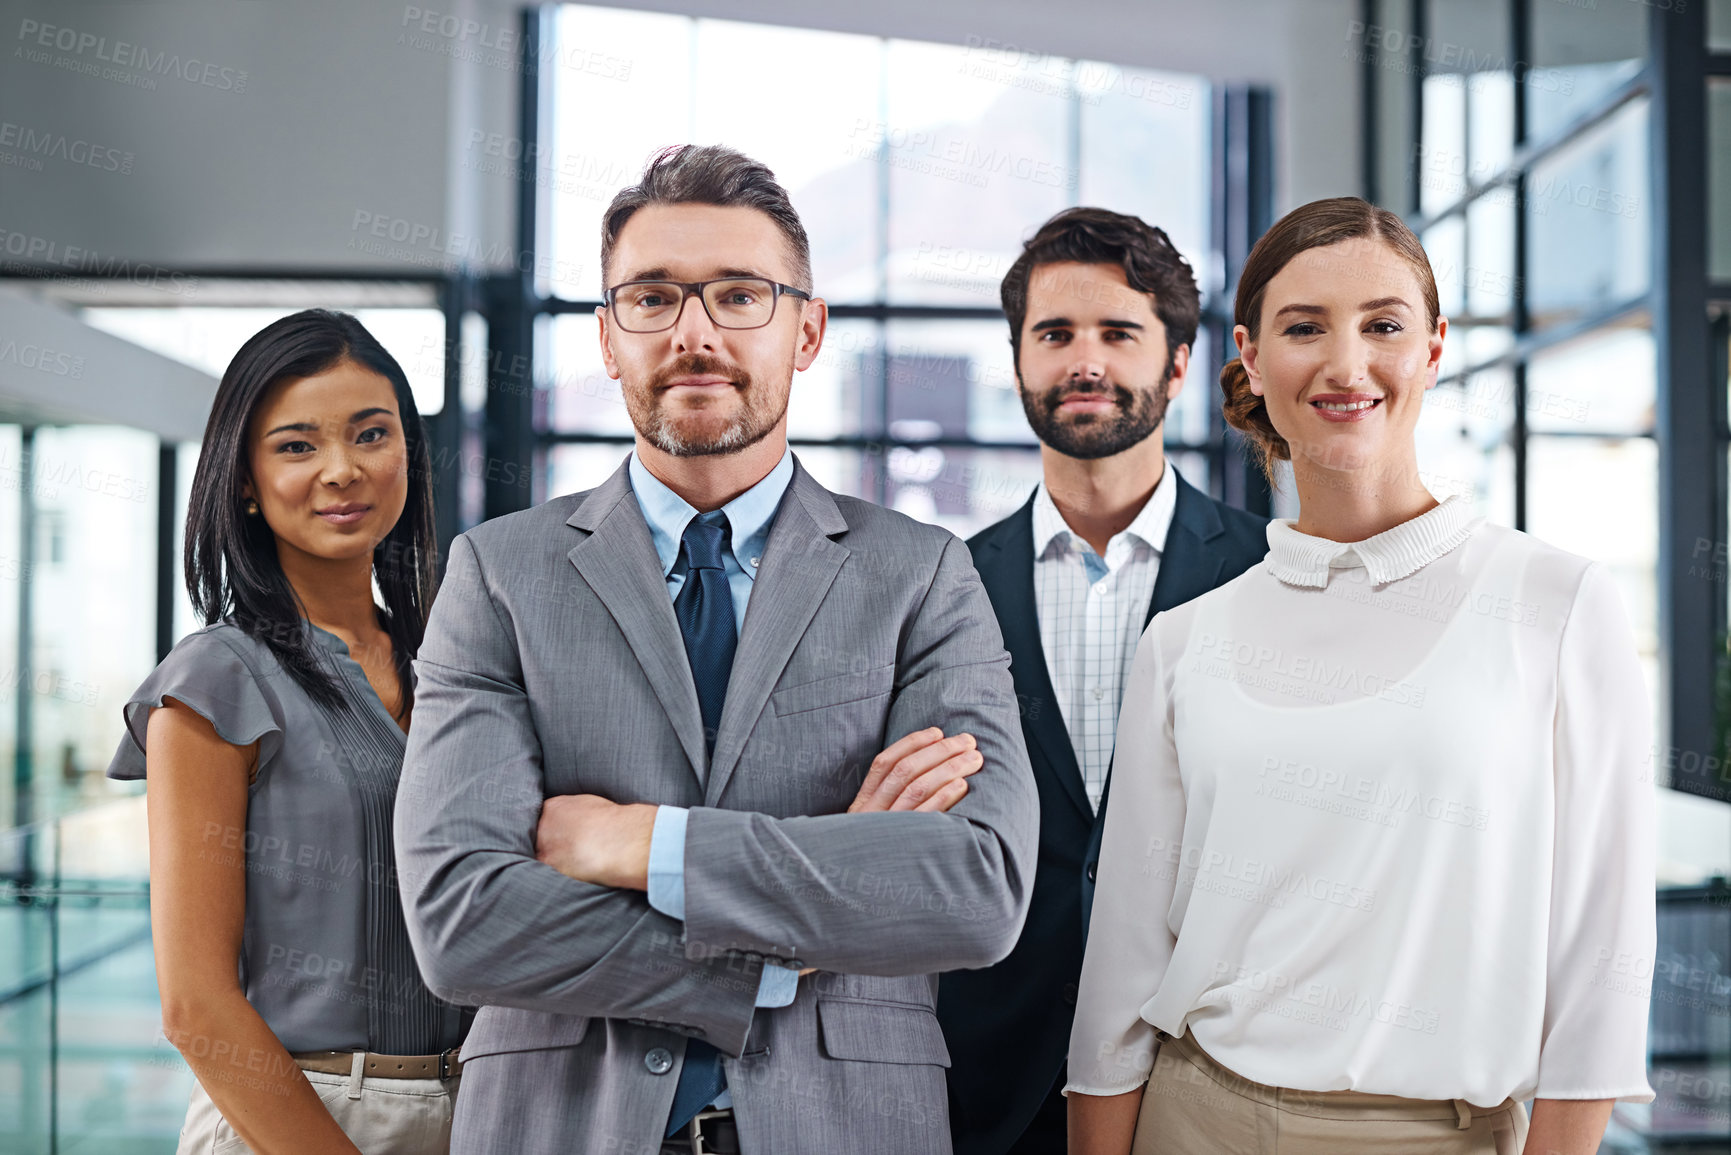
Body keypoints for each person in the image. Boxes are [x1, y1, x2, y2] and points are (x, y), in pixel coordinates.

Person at [392, 144, 1039, 1155]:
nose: (694, 333)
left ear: (807, 328)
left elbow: (976, 887)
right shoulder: (499, 576)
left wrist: (641, 844)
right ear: (609, 339)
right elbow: (462, 920)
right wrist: (799, 938)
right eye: (651, 298)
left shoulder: (920, 575)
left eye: (740, 295)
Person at [1066, 197, 1656, 1155]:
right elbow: (1124, 960)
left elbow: (1603, 955)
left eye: (1382, 324)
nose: (1346, 366)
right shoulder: (1183, 642)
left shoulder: (1555, 603)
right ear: (1252, 358)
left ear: (1431, 350)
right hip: (1194, 1120)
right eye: (1305, 328)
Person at [937, 207, 1267, 1155]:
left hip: (1208, 1068)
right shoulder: (938, 585)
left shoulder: (1269, 570)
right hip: (991, 1076)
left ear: (1175, 364)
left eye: (1118, 333)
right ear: (1018, 364)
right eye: (1054, 335)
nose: (1085, 360)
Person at [107, 309, 467, 1153]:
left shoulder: (451, 663)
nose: (342, 470)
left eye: (371, 434)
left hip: (475, 1102)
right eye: (297, 445)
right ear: (244, 477)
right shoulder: (215, 679)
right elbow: (195, 1004)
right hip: (295, 1117)